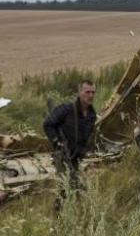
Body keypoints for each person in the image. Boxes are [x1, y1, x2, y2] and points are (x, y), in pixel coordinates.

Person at [43, 80, 97, 208]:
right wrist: (56, 141)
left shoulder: (92, 115)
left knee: (72, 187)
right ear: (79, 92)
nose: (90, 95)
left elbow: (87, 137)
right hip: (63, 155)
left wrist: (86, 152)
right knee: (67, 186)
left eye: (93, 92)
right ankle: (59, 215)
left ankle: (70, 213)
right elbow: (48, 124)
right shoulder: (66, 109)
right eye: (87, 92)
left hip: (77, 157)